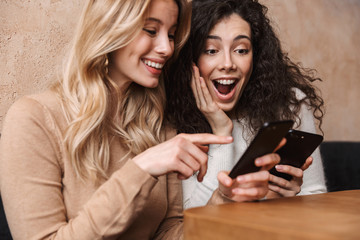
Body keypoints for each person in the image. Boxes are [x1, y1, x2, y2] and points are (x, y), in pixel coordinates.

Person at [0, 0, 239, 239]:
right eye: (151, 31)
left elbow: (167, 233)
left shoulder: (159, 125)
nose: (166, 48)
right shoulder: (34, 118)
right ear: (110, 26)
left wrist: (223, 201)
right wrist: (141, 169)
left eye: (172, 34)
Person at [165, 0, 327, 209]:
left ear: (255, 56)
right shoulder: (171, 117)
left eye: (241, 50)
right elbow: (191, 219)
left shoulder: (291, 103)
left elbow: (317, 196)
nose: (227, 64)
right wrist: (221, 132)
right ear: (191, 60)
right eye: (211, 50)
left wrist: (291, 198)